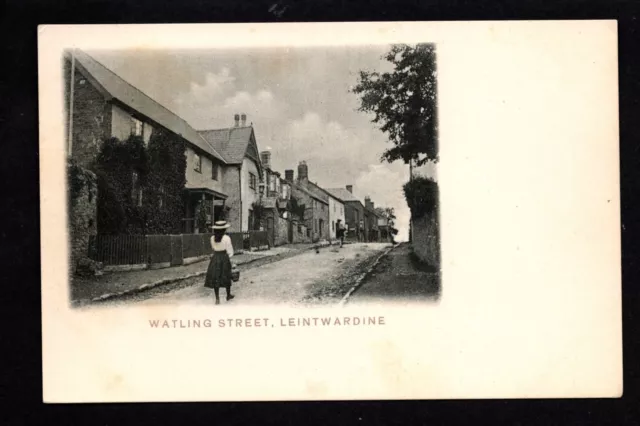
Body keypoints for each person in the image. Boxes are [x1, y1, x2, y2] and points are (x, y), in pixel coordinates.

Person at [204, 220, 235, 305]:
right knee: (226, 275)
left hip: (215, 258)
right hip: (224, 257)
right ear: (224, 229)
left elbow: (213, 248)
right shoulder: (226, 238)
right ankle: (228, 295)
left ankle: (217, 299)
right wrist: (230, 257)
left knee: (216, 277)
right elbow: (230, 251)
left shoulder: (212, 238)